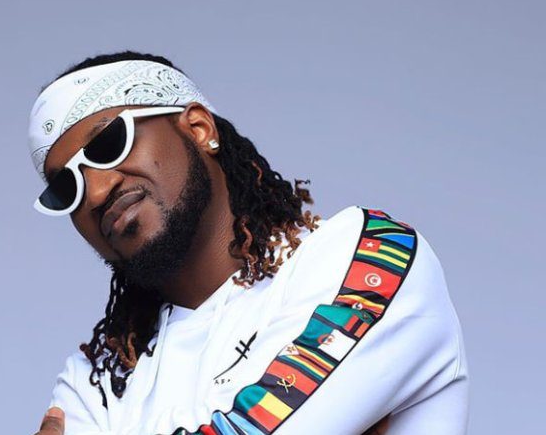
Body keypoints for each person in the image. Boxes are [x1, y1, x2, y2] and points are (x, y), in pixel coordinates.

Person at [27, 52, 469, 435]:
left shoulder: (365, 255)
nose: (96, 191)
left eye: (110, 144)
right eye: (67, 187)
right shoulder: (95, 381)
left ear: (199, 128)